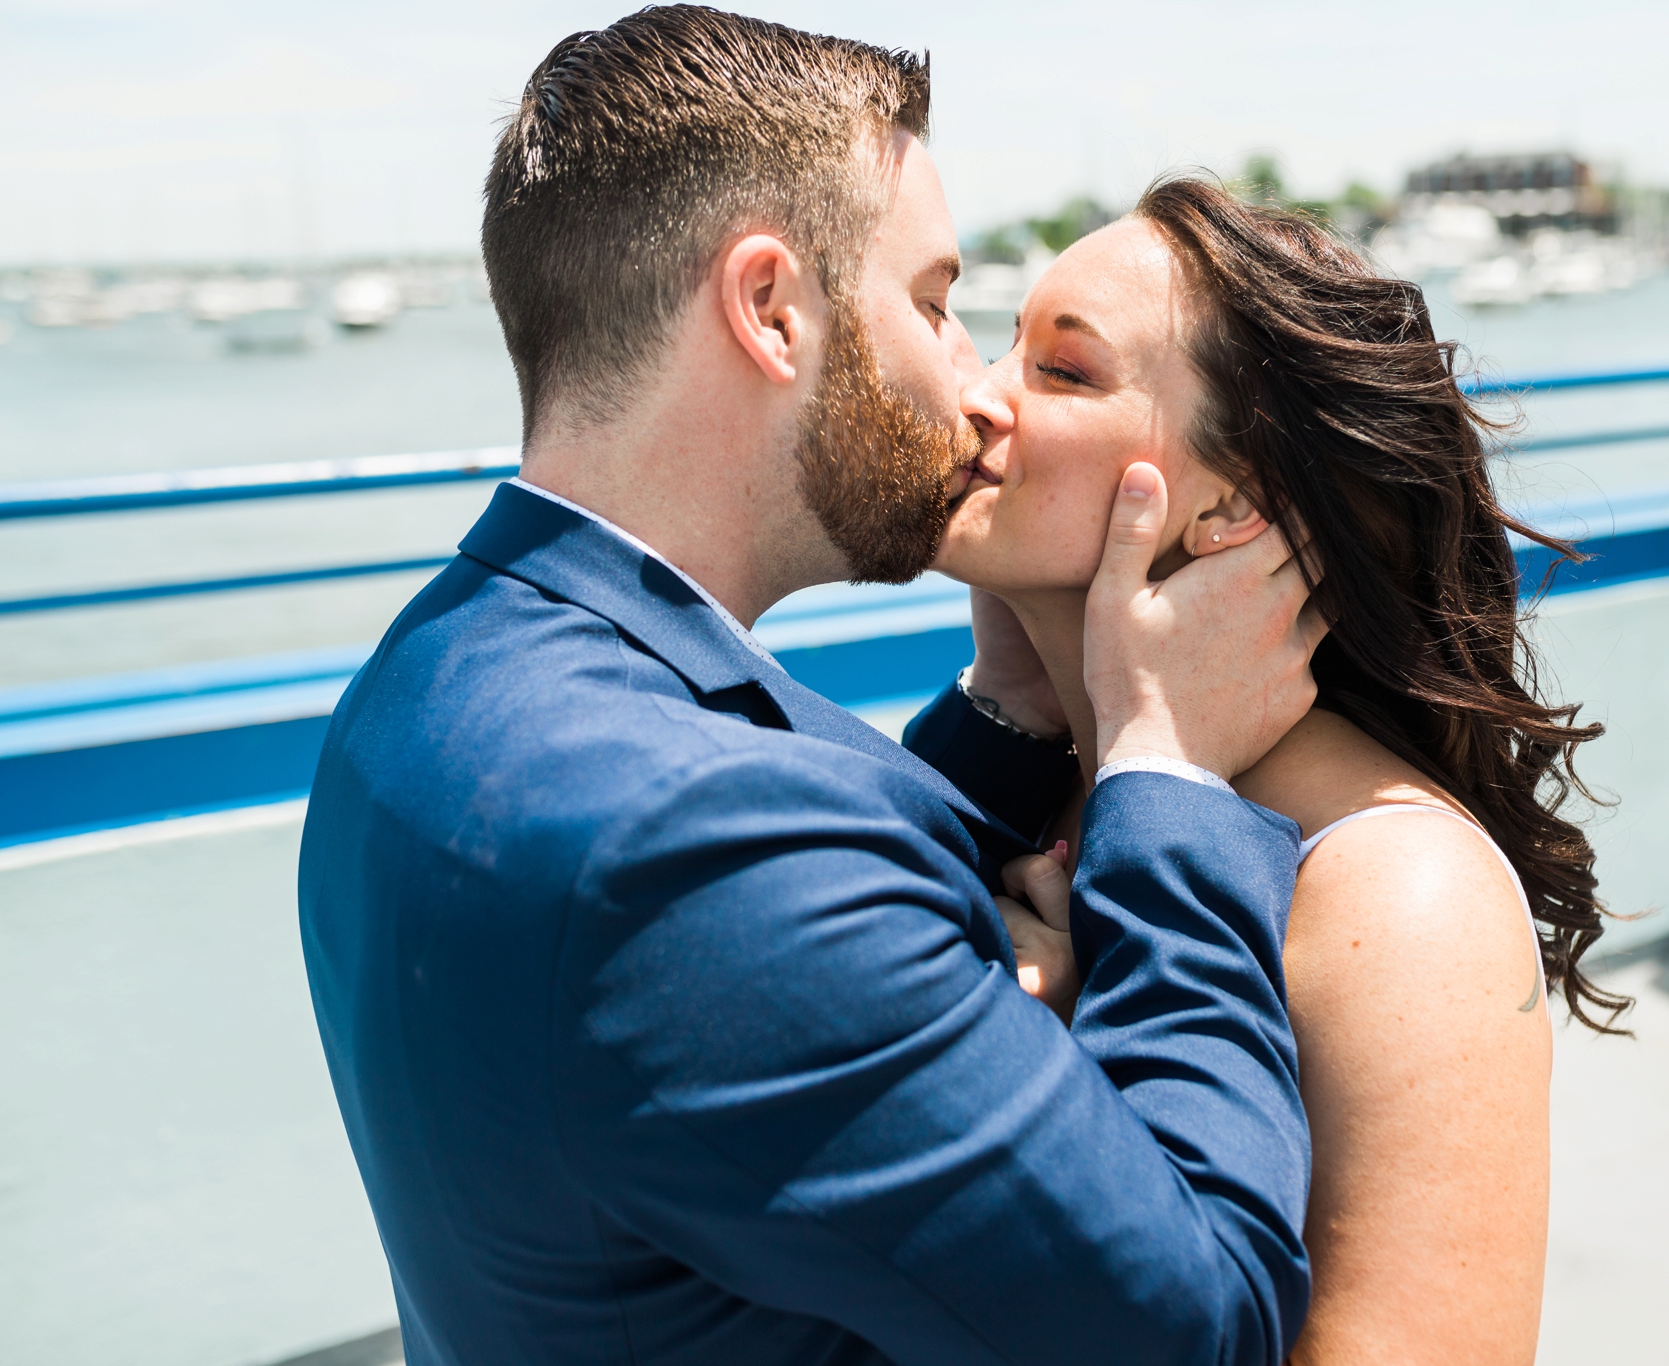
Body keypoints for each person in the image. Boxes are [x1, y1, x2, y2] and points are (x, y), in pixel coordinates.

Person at [299, 11, 1328, 1366]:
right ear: (771, 309)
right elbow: (1202, 1321)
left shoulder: (428, 678)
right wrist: (1170, 772)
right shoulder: (693, 858)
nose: (972, 385)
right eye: (937, 303)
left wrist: (1012, 721)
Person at [937, 176, 1632, 1364]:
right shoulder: (1041, 781)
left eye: (1062, 370)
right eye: (1005, 339)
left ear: (1230, 514)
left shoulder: (1394, 891)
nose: (973, 394)